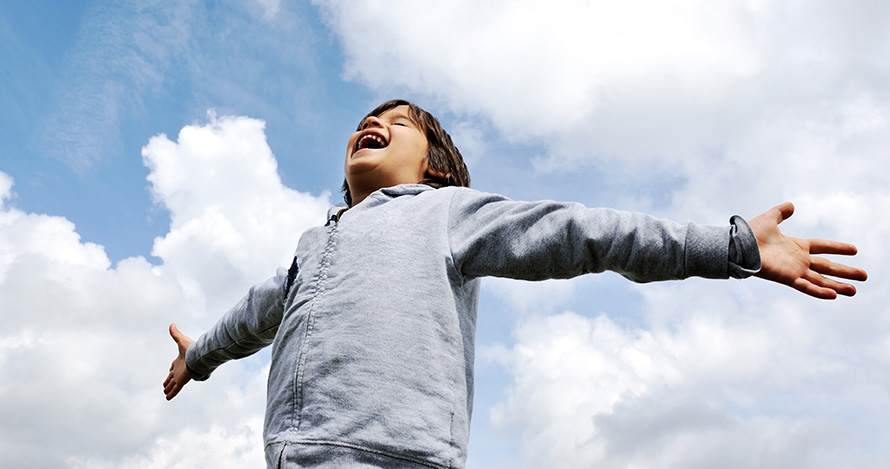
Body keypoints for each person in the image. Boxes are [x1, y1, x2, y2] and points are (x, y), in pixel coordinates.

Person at [163, 99, 867, 468]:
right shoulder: (310, 249)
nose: (372, 122)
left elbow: (582, 232)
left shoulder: (447, 214)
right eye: (364, 121)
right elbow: (250, 317)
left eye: (398, 123)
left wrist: (731, 244)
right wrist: (198, 357)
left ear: (436, 165)